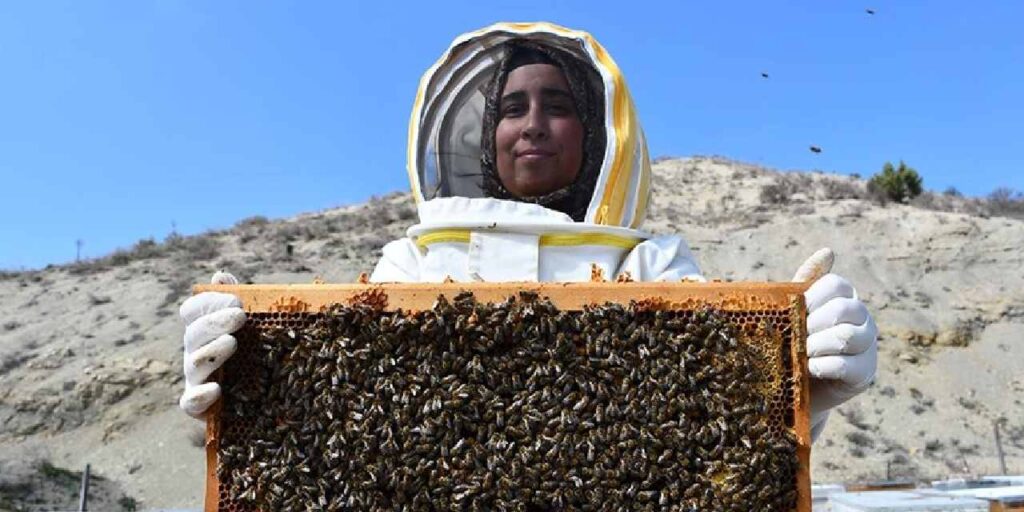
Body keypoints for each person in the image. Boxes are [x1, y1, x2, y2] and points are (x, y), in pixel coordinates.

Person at [179, 22, 878, 442]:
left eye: (557, 106)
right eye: (513, 108)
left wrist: (805, 389)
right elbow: (342, 429)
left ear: (597, 131)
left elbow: (727, 437)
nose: (533, 125)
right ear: (486, 136)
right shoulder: (411, 265)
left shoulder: (653, 265)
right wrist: (248, 383)